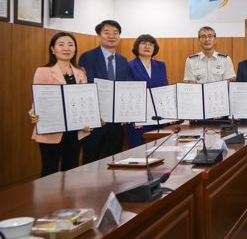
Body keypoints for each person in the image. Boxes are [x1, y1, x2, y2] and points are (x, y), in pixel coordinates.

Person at [29, 32, 90, 176]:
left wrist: (88, 120)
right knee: (50, 171)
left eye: (70, 45)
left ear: (75, 49)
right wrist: (34, 114)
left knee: (71, 170)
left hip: (75, 130)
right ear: (52, 49)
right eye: (61, 44)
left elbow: (85, 100)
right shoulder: (43, 71)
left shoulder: (81, 72)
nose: (66, 48)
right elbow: (37, 101)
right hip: (51, 129)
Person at [79, 20, 131, 162]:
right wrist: (94, 115)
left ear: (119, 37)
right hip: (96, 121)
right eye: (106, 33)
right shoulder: (88, 57)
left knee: (113, 162)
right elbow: (87, 87)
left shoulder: (123, 60)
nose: (111, 36)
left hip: (116, 123)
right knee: (91, 162)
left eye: (115, 33)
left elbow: (124, 87)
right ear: (98, 36)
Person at [127, 34, 169, 147]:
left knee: (159, 150)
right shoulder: (129, 66)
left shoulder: (161, 65)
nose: (147, 46)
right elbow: (128, 94)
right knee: (139, 151)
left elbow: (165, 90)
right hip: (139, 119)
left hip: (158, 117)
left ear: (154, 48)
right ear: (137, 46)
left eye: (150, 44)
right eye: (143, 43)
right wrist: (134, 117)